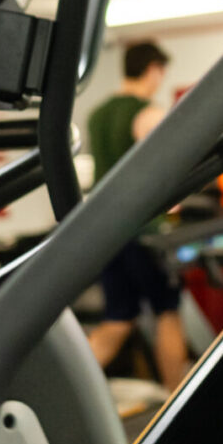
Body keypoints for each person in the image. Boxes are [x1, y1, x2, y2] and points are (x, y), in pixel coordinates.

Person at [85, 41, 190, 387]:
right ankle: (177, 400)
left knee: (119, 318)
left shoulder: (98, 114)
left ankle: (70, 389)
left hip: (104, 230)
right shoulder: (148, 113)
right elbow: (169, 168)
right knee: (167, 313)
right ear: (153, 70)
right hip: (144, 230)